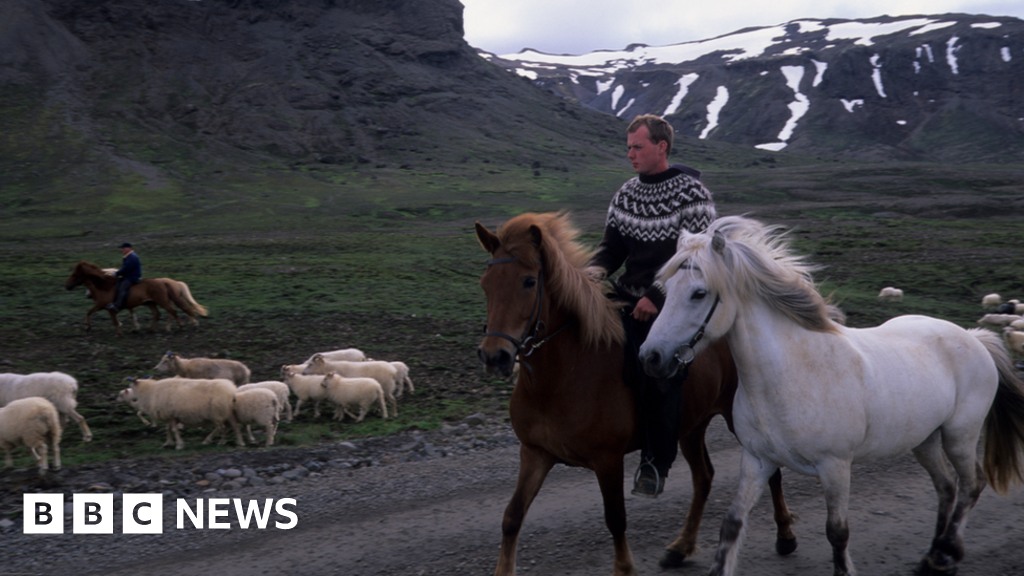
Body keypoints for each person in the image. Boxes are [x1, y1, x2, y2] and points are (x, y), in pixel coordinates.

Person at [590, 114, 717, 497]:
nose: (630, 154)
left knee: (660, 372)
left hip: (673, 304)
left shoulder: (692, 194)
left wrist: (656, 296)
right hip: (626, 296)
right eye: (628, 147)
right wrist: (589, 274)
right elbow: (611, 249)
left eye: (637, 146)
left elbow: (698, 259)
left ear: (661, 147)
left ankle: (655, 461)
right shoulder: (626, 192)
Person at [106, 242, 142, 313]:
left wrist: (116, 273)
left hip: (132, 277)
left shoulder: (131, 256)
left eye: (123, 248)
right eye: (121, 248)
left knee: (122, 288)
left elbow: (126, 268)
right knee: (117, 283)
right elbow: (125, 268)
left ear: (128, 248)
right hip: (128, 275)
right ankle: (114, 301)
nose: (122, 250)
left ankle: (117, 306)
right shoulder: (128, 256)